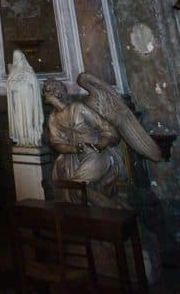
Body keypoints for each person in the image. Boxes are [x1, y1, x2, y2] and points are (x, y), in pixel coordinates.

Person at [42, 78, 122, 207]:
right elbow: (55, 142)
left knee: (78, 189)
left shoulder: (78, 108)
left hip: (95, 154)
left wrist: (100, 145)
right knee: (68, 190)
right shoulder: (53, 118)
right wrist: (74, 149)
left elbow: (109, 130)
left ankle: (116, 213)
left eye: (46, 91)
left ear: (57, 93)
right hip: (72, 158)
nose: (43, 94)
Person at [6, 50, 44, 147]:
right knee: (18, 119)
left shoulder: (28, 70)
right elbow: (9, 86)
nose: (16, 59)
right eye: (15, 57)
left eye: (18, 56)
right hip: (17, 99)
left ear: (22, 57)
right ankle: (22, 139)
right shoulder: (13, 71)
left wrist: (24, 84)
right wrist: (14, 85)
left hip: (28, 99)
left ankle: (31, 139)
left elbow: (34, 85)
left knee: (29, 118)